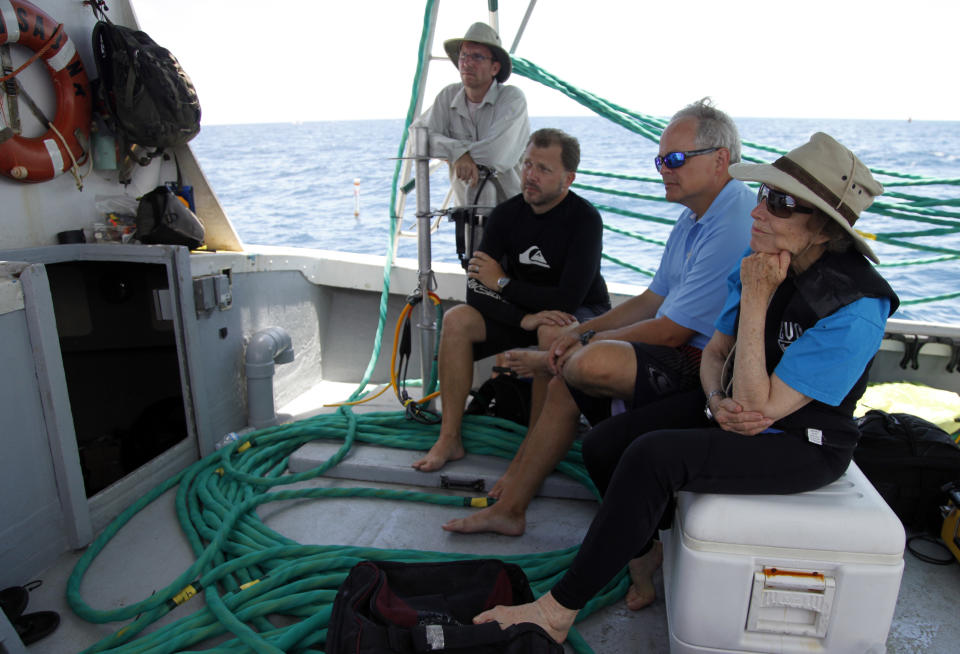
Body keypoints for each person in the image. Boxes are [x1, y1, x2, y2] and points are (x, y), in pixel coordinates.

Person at [471, 132, 900, 643]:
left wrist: (760, 300)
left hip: (802, 440)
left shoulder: (854, 305)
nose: (760, 210)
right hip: (734, 403)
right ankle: (644, 548)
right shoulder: (760, 256)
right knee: (606, 443)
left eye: (782, 203)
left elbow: (762, 408)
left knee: (652, 456)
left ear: (826, 229)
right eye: (764, 194)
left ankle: (558, 610)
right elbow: (716, 351)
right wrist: (716, 400)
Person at [442, 99, 755, 557]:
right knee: (573, 364)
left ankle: (538, 391)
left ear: (720, 160)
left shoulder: (730, 221)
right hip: (683, 345)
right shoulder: (694, 220)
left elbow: (669, 332)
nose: (663, 170)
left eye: (674, 160)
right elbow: (650, 300)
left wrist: (583, 336)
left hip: (714, 365)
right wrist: (575, 335)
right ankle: (511, 505)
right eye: (660, 160)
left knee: (588, 360)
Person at [412, 128, 611, 472]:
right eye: (527, 164)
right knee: (458, 319)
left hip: (582, 311)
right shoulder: (506, 215)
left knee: (553, 330)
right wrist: (521, 319)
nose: (530, 176)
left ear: (568, 178)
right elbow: (476, 289)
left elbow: (567, 299)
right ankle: (450, 437)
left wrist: (502, 282)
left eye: (544, 169)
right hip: (522, 314)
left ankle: (533, 450)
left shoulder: (585, 220)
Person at [410, 22, 529, 208]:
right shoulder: (447, 96)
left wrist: (454, 152)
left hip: (512, 212)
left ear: (495, 68)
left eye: (477, 57)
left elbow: (494, 155)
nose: (467, 62)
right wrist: (458, 153)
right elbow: (417, 138)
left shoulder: (512, 99)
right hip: (466, 211)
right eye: (463, 55)